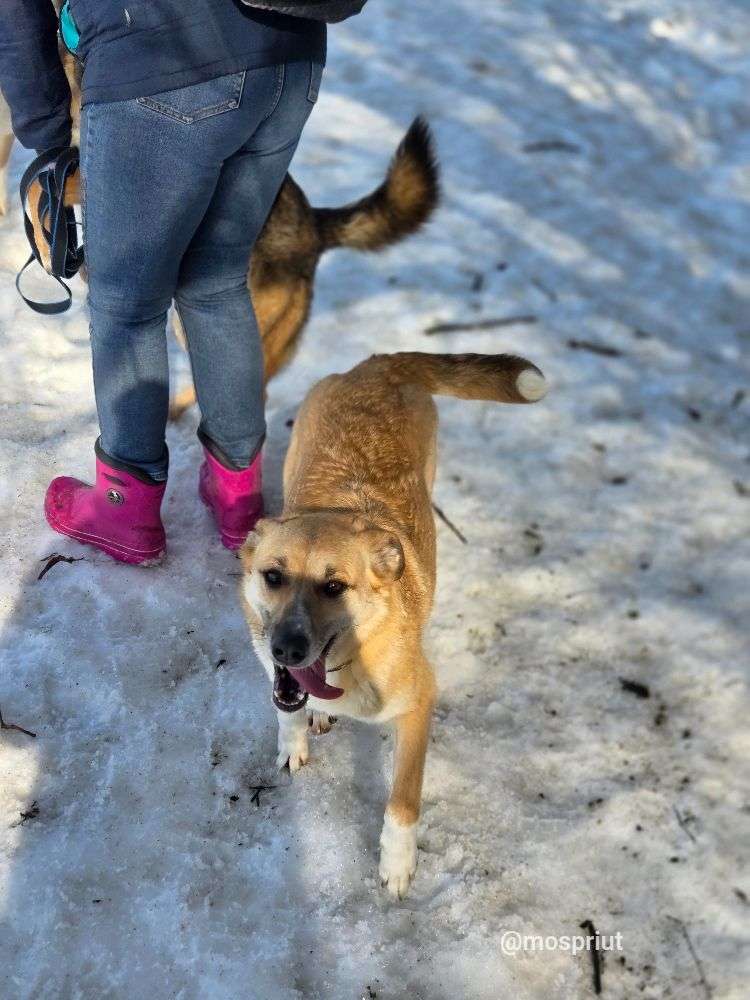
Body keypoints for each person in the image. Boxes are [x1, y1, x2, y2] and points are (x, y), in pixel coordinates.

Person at [0, 0, 366, 564]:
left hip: (157, 59)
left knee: (127, 304)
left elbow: (19, 17)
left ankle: (125, 510)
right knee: (216, 284)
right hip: (289, 59)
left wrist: (49, 136)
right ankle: (238, 499)